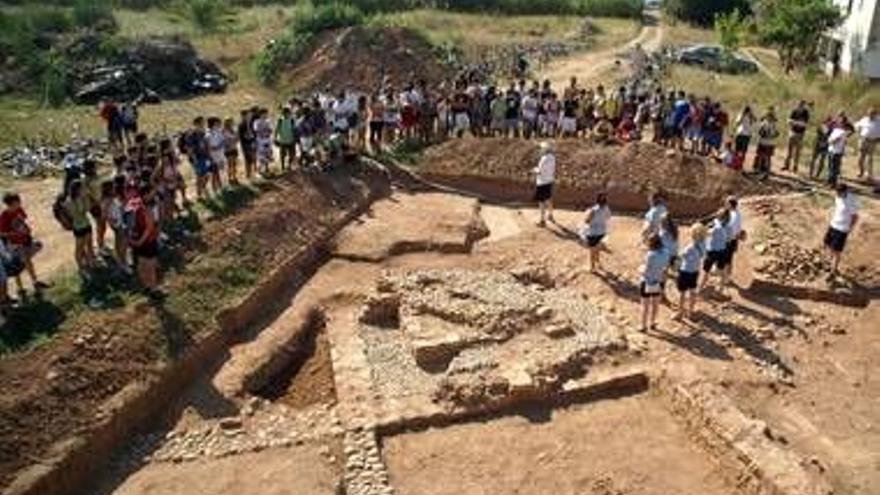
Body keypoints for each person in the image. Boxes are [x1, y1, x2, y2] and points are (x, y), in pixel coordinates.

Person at [0, 193, 49, 297]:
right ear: (11, 203)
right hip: (14, 244)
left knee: (27, 261)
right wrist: (14, 233)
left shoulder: (19, 210)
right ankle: (24, 287)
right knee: (19, 265)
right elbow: (2, 233)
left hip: (24, 240)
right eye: (17, 202)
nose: (20, 203)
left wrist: (26, 229)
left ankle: (31, 284)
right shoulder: (4, 216)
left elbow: (22, 221)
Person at [127, 185, 162, 298]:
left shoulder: (132, 204)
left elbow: (126, 223)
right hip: (147, 241)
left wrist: (132, 240)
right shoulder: (146, 209)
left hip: (134, 239)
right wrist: (141, 241)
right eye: (151, 193)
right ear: (145, 194)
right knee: (151, 265)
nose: (153, 195)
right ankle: (154, 289)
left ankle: (146, 286)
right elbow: (149, 227)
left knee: (141, 264)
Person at [823, 183, 858, 278]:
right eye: (837, 192)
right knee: (827, 244)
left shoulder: (851, 201)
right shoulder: (837, 196)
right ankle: (830, 264)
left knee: (836, 251)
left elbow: (855, 217)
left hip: (842, 229)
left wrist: (849, 229)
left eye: (839, 193)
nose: (837, 195)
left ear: (845, 192)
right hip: (833, 225)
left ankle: (833, 271)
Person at [675, 223, 707, 320]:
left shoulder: (690, 247)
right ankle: (690, 313)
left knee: (682, 293)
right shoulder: (703, 244)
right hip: (695, 271)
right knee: (692, 292)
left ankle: (680, 313)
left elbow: (681, 256)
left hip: (685, 271)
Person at [64, 180, 96, 276]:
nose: (84, 189)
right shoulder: (69, 201)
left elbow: (87, 209)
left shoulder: (82, 197)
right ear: (77, 189)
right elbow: (76, 213)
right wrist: (84, 201)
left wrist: (87, 198)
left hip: (86, 223)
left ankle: (91, 261)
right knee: (80, 247)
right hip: (78, 226)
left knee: (89, 244)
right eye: (82, 188)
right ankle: (80, 267)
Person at [639, 234, 667, 332]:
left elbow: (646, 270)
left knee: (645, 305)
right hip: (658, 281)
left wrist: (640, 270)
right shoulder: (665, 252)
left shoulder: (650, 255)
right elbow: (664, 268)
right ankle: (653, 323)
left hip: (647, 281)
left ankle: (643, 325)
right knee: (655, 304)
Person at [700, 209, 731, 292]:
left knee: (705, 270)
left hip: (712, 251)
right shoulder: (728, 226)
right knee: (722, 271)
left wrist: (706, 226)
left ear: (720, 216)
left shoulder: (716, 227)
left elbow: (706, 233)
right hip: (723, 250)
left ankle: (701, 287)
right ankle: (721, 289)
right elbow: (729, 238)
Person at [580, 193, 611, 273]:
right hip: (602, 231)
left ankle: (592, 267)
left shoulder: (593, 210)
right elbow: (608, 217)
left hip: (593, 233)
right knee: (597, 248)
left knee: (592, 251)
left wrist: (586, 213)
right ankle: (598, 263)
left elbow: (587, 221)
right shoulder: (606, 208)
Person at [183, 117, 212, 199]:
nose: (203, 125)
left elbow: (206, 145)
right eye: (202, 123)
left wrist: (209, 156)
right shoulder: (191, 135)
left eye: (203, 123)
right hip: (196, 158)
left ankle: (203, 189)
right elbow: (189, 148)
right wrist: (194, 159)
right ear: (196, 124)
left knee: (206, 175)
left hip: (204, 157)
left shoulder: (203, 133)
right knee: (200, 176)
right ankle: (199, 194)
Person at [783, 100, 810, 172]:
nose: (800, 107)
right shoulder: (794, 111)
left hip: (800, 134)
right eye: (799, 105)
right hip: (792, 132)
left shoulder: (806, 113)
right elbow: (788, 121)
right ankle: (786, 165)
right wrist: (798, 123)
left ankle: (795, 167)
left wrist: (794, 122)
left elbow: (805, 124)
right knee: (789, 150)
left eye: (802, 105)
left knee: (797, 152)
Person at [533, 141, 556, 227]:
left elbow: (540, 171)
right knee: (549, 199)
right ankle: (550, 215)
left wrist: (534, 170)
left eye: (541, 148)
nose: (540, 150)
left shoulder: (544, 159)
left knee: (541, 202)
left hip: (542, 182)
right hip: (549, 181)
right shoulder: (552, 157)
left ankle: (542, 220)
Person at [854, 108, 879, 180]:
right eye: (869, 114)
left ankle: (869, 174)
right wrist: (858, 134)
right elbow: (856, 125)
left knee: (869, 158)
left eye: (872, 114)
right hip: (863, 140)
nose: (870, 115)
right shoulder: (864, 119)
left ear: (875, 114)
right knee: (860, 157)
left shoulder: (879, 121)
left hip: (873, 141)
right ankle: (861, 171)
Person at [754, 108, 779, 180]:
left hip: (765, 142)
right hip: (768, 142)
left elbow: (761, 132)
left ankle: (761, 171)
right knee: (766, 157)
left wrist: (768, 135)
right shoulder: (771, 124)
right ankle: (764, 171)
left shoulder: (766, 123)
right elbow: (776, 134)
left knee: (763, 156)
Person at [724, 196, 744, 279]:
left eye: (726, 203)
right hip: (732, 239)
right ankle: (726, 274)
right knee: (728, 258)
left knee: (727, 258)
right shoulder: (734, 213)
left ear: (730, 204)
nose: (725, 204)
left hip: (730, 239)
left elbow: (733, 229)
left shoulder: (734, 216)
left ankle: (727, 276)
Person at [827, 119, 850, 186]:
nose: (840, 124)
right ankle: (829, 181)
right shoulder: (835, 130)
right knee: (830, 166)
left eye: (841, 123)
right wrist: (830, 141)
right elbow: (830, 138)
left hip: (837, 151)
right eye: (839, 122)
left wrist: (831, 141)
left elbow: (836, 140)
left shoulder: (843, 132)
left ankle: (832, 182)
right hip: (831, 149)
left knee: (834, 167)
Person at [207, 117, 226, 193]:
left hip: (220, 155)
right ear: (213, 124)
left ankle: (220, 186)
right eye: (217, 123)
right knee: (214, 173)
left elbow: (223, 140)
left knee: (219, 171)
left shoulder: (218, 131)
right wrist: (216, 147)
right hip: (213, 156)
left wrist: (220, 145)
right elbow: (209, 146)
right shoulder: (208, 134)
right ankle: (214, 189)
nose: (219, 124)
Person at [275, 106, 297, 171]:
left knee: (292, 154)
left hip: (291, 140)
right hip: (283, 140)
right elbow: (276, 130)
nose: (286, 114)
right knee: (282, 155)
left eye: (287, 113)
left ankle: (289, 165)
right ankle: (282, 166)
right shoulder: (280, 120)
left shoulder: (292, 120)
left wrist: (295, 138)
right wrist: (275, 138)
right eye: (285, 113)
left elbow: (294, 130)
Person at [238, 109, 257, 179]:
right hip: (245, 144)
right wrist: (249, 136)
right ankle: (248, 175)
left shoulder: (250, 123)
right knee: (247, 159)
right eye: (247, 115)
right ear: (243, 116)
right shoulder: (241, 125)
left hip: (251, 142)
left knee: (252, 159)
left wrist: (252, 137)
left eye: (249, 115)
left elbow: (253, 133)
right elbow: (243, 136)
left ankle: (251, 173)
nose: (249, 116)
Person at [223, 118, 240, 185]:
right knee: (230, 164)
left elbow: (236, 139)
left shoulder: (233, 130)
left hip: (234, 148)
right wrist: (233, 139)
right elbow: (228, 140)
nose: (231, 124)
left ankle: (234, 177)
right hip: (228, 150)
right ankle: (230, 178)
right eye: (230, 122)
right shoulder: (224, 131)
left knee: (234, 164)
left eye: (231, 122)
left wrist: (234, 139)